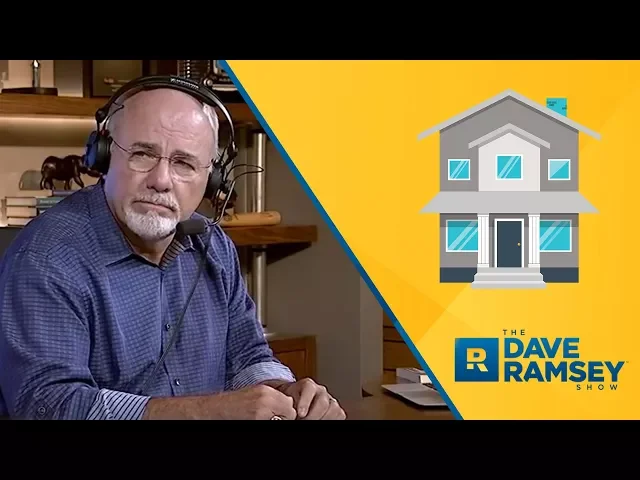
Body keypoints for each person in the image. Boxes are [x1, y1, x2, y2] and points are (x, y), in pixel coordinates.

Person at [0, 82, 346, 421]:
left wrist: (284, 393)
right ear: (103, 156)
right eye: (142, 154)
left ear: (212, 179)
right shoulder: (46, 257)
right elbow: (48, 404)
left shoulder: (213, 245)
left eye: (184, 163)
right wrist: (208, 412)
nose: (161, 180)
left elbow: (247, 355)